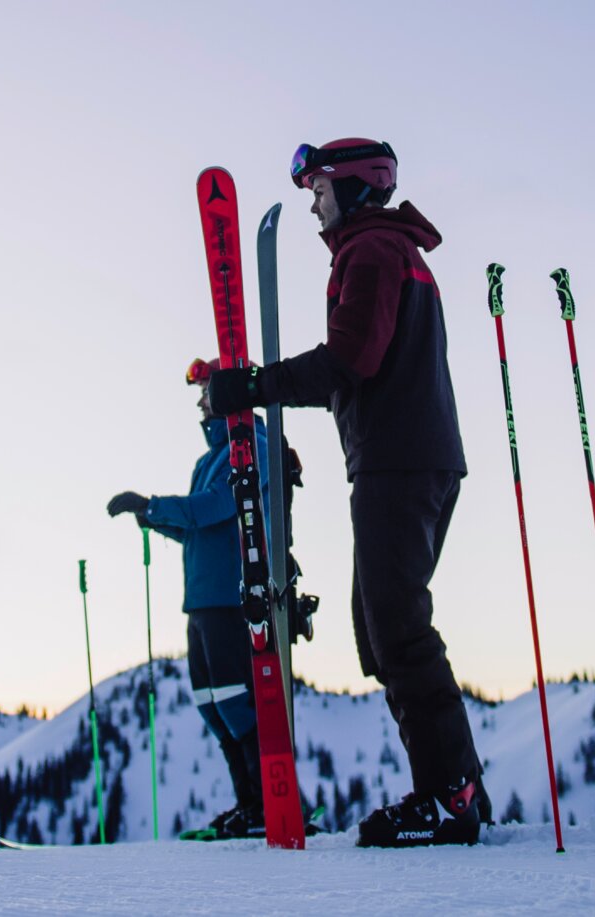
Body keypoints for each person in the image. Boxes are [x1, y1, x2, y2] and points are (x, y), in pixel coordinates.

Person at [204, 139, 487, 847]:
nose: (312, 201)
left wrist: (255, 385)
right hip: (407, 458)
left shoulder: (370, 252)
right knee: (381, 624)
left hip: (399, 459)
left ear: (355, 187)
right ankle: (450, 789)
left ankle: (448, 794)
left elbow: (349, 361)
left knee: (396, 626)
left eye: (319, 187)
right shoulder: (385, 251)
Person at [108, 359, 298, 840]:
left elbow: (218, 507)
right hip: (202, 599)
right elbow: (198, 529)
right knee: (211, 704)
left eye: (205, 390)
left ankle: (268, 804)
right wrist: (150, 516)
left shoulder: (249, 444)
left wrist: (152, 506)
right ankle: (249, 804)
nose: (199, 401)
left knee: (237, 702)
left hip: (233, 596)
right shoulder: (207, 460)